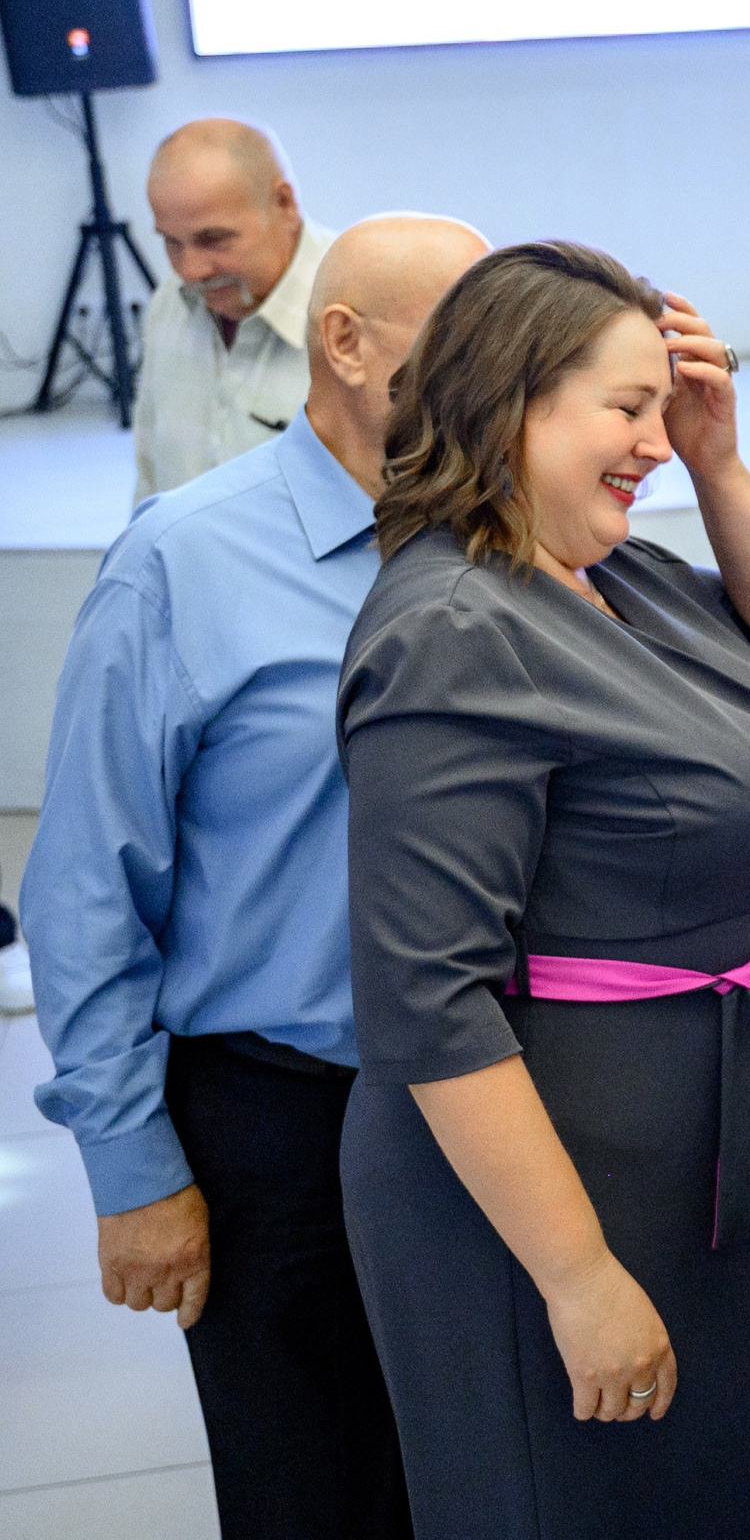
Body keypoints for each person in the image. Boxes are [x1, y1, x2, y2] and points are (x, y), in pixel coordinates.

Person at [335, 241, 750, 1540]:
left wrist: (722, 460)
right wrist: (576, 1276)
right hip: (552, 1185)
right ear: (512, 399)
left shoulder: (613, 574)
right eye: (629, 409)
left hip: (700, 1143)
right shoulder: (452, 625)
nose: (656, 444)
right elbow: (427, 997)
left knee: (722, 1489)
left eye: (664, 410)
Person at [21, 214, 489, 1539]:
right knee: (313, 1492)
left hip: (495, 1102)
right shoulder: (184, 558)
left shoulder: (512, 537)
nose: (508, 367)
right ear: (345, 343)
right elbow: (86, 888)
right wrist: (131, 1166)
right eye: (470, 334)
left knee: (487, 1481)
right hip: (284, 1120)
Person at [135, 118, 339, 500]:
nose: (189, 271)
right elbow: (150, 473)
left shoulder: (358, 309)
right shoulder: (170, 302)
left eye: (213, 239)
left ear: (284, 204)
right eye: (171, 242)